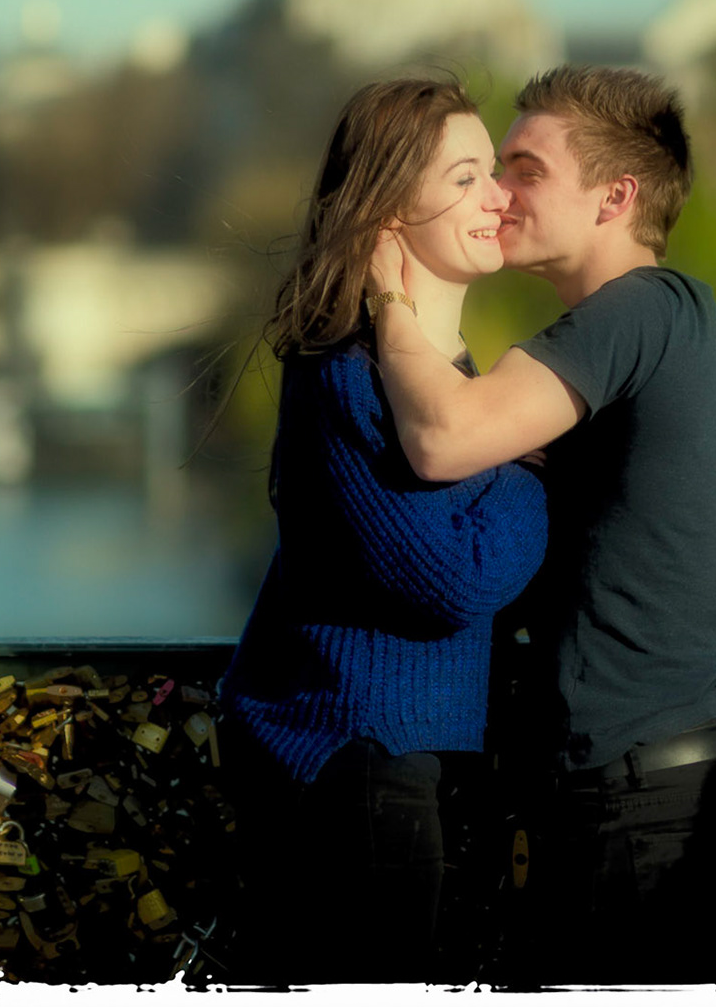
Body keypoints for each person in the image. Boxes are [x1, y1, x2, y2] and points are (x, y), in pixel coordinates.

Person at [365, 64, 716, 985]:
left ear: (614, 198)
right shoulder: (675, 321)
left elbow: (442, 438)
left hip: (643, 788)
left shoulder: (637, 309)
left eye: (527, 169)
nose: (499, 192)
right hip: (677, 768)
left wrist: (388, 297)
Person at [217, 77, 548, 985]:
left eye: (496, 171)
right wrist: (533, 469)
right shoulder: (343, 374)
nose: (499, 195)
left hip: (411, 759)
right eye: (466, 177)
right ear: (389, 211)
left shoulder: (454, 387)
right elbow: (454, 578)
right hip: (352, 755)